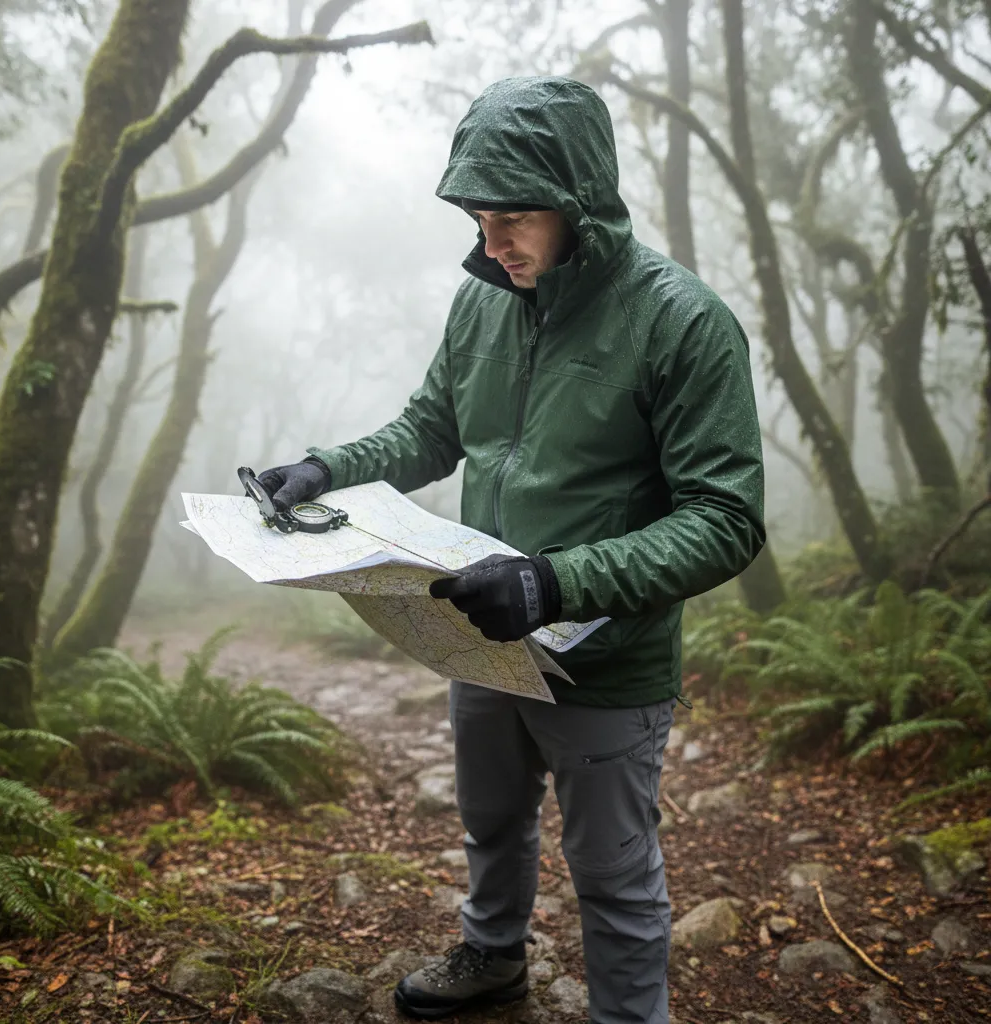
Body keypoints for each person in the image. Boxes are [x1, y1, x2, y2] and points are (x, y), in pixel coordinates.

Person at [257, 76, 765, 1024]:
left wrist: (555, 581)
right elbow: (429, 430)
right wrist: (326, 469)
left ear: (580, 200)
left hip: (605, 659)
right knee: (490, 820)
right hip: (482, 633)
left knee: (613, 871)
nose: (492, 242)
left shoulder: (681, 322)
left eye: (515, 215)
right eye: (479, 216)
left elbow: (725, 518)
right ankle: (494, 956)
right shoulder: (482, 302)